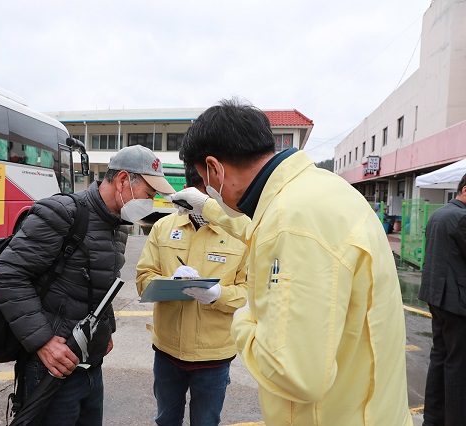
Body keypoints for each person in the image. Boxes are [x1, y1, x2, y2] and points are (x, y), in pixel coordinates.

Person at [170, 98, 413, 425]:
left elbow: (295, 373)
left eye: (205, 181)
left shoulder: (291, 221)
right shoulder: (316, 191)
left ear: (214, 168)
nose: (211, 192)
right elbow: (260, 226)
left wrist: (244, 318)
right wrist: (207, 206)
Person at [0, 145, 175, 426]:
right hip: (52, 367)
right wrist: (42, 341)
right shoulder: (62, 213)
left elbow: (100, 283)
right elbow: (8, 274)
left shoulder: (118, 226)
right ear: (123, 180)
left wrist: (106, 329)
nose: (150, 203)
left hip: (90, 365)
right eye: (149, 195)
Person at [135, 165, 249, 426]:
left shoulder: (240, 234)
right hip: (167, 350)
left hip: (214, 356)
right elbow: (143, 279)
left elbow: (250, 294)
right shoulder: (163, 227)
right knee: (166, 419)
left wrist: (218, 294)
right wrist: (167, 282)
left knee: (206, 421)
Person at [417, 173, 466, 426]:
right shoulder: (461, 217)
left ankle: (433, 418)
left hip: (436, 296)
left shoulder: (440, 214)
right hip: (457, 301)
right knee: (458, 364)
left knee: (440, 358)